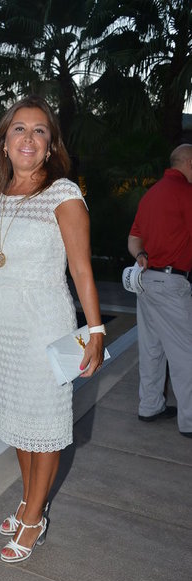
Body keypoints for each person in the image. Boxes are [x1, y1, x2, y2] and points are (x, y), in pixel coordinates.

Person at [0, 96, 105, 563]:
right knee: (19, 425)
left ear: (51, 145)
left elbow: (81, 269)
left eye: (39, 130)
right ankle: (28, 500)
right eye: (19, 129)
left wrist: (96, 329)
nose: (28, 138)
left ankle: (34, 518)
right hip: (6, 332)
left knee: (45, 428)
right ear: (4, 142)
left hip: (44, 327)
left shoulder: (63, 193)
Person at [128, 143, 192, 438]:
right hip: (171, 283)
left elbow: (133, 238)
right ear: (189, 163)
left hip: (146, 281)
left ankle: (150, 406)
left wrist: (141, 255)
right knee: (185, 355)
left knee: (151, 349)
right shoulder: (186, 193)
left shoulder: (151, 194)